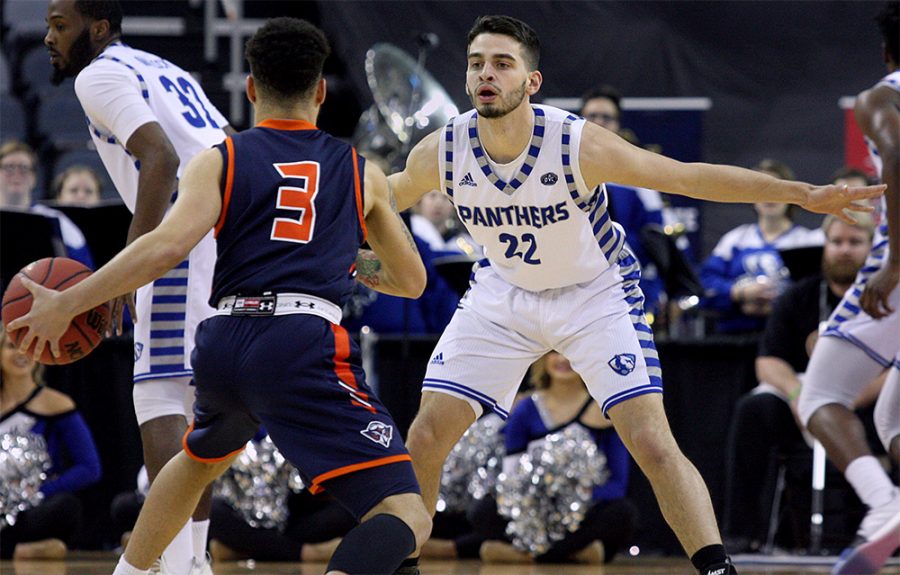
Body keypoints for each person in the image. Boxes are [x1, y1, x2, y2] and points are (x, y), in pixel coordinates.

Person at [382, 15, 883, 575]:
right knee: (424, 435)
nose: (486, 75)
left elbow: (689, 177)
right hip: (503, 294)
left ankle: (718, 569)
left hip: (595, 295)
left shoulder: (574, 143)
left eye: (502, 63)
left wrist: (802, 193)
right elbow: (381, 199)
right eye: (476, 63)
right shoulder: (443, 149)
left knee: (650, 441)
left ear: (532, 81)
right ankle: (406, 567)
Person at [14, 15, 432, 575]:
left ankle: (136, 571)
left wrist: (71, 299)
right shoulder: (364, 173)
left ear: (253, 89)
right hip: (301, 343)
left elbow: (164, 247)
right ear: (322, 91)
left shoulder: (220, 159)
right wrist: (349, 262)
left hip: (224, 343)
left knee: (197, 457)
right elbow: (412, 281)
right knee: (408, 512)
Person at [43, 1, 233, 572]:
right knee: (194, 406)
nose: (50, 37)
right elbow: (228, 143)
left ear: (97, 29)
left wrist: (135, 261)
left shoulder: (97, 74)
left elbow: (161, 157)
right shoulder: (162, 68)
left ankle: (175, 563)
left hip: (184, 238)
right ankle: (191, 560)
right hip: (225, 237)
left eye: (61, 25)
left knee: (160, 398)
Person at [798, 4, 900, 573]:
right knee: (892, 419)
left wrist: (893, 266)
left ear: (887, 52)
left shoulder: (881, 97)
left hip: (898, 265)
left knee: (819, 397)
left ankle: (884, 504)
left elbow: (899, 159)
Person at [723, 214, 879, 553]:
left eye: (855, 243)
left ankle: (879, 523)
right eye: (836, 242)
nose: (844, 251)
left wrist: (848, 400)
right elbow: (768, 362)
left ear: (871, 248)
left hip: (863, 396)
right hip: (803, 393)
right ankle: (742, 535)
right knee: (755, 409)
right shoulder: (799, 296)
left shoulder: (882, 298)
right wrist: (798, 396)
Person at [474, 351, 638, 564]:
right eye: (554, 352)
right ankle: (577, 553)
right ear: (542, 357)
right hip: (531, 511)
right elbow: (510, 472)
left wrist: (577, 497)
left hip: (581, 513)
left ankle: (524, 555)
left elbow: (618, 483)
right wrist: (534, 499)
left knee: (623, 513)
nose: (562, 359)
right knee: (482, 512)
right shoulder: (526, 408)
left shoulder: (603, 410)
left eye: (570, 352)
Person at [0, 327, 102, 560]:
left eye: (29, 347)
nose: (21, 353)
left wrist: (40, 492)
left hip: (28, 510)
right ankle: (20, 551)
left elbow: (90, 467)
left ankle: (11, 548)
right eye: (12, 346)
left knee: (66, 507)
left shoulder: (56, 404)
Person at [700, 159, 825, 334]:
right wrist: (739, 294)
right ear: (750, 197)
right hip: (735, 337)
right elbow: (705, 283)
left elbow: (818, 293)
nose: (770, 196)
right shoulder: (735, 240)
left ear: (792, 196)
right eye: (761, 189)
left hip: (789, 336)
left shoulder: (808, 240)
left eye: (778, 189)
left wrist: (779, 302)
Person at [579, 85, 668, 317]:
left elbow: (658, 242)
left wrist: (655, 291)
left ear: (618, 125)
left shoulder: (639, 180)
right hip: (569, 293)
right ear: (579, 121)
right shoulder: (556, 173)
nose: (598, 122)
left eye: (606, 118)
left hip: (625, 292)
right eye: (591, 116)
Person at [0, 140, 94, 270]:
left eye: (23, 168)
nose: (16, 174)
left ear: (34, 178)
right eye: (9, 167)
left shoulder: (55, 220)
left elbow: (84, 268)